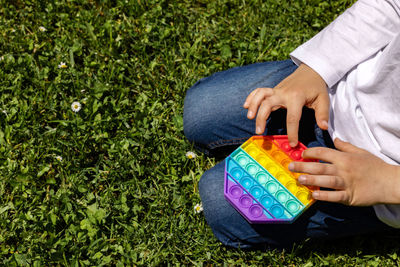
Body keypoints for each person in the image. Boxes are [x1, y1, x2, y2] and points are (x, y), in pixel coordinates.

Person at [183, 0, 400, 248]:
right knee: (198, 113)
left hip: (376, 173)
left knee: (217, 200)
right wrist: (316, 69)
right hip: (338, 91)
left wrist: (389, 182)